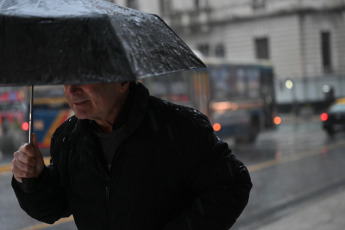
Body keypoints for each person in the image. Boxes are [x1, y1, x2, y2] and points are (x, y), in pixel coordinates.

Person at [11, 81, 252, 230]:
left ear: (122, 80)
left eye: (84, 77)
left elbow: (233, 183)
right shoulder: (68, 137)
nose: (71, 90)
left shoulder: (179, 127)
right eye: (66, 79)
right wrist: (34, 180)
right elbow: (55, 208)